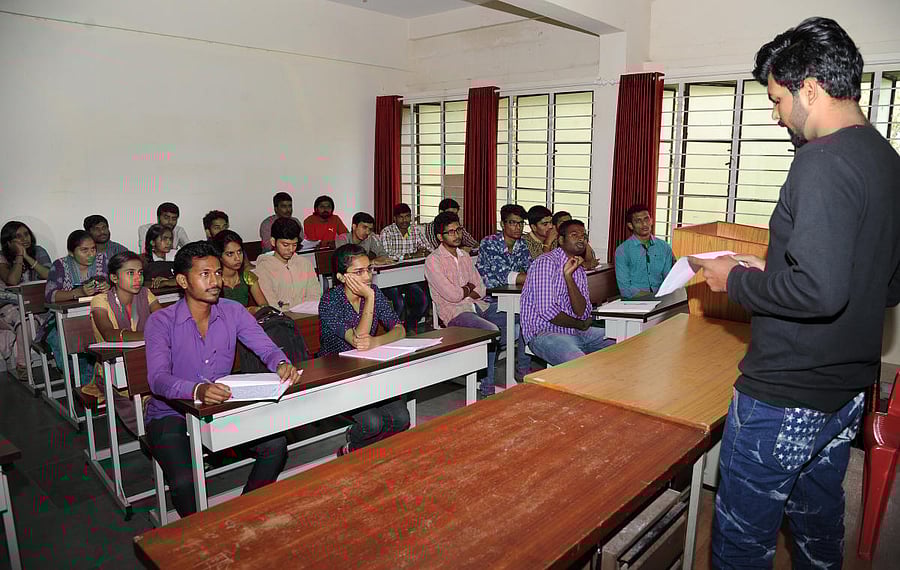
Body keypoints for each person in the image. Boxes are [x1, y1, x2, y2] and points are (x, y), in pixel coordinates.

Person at [687, 17, 900, 569]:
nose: (776, 111)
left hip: (785, 393)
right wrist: (773, 264)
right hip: (847, 388)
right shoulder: (884, 160)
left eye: (778, 98)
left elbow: (820, 292)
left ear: (810, 88)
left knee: (741, 540)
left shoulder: (820, 162)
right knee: (818, 523)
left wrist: (733, 279)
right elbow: (885, 282)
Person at [144, 241, 302, 518]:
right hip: (171, 413)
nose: (215, 280)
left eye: (217, 273)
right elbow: (157, 379)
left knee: (275, 447)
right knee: (184, 482)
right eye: (205, 274)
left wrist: (280, 363)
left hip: (219, 407)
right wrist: (196, 389)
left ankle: (242, 515)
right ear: (182, 280)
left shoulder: (233, 310)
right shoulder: (161, 321)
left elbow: (265, 347)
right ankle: (200, 533)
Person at [318, 244, 409, 455]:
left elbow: (399, 329)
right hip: (338, 372)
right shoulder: (330, 301)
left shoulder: (375, 292)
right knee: (372, 423)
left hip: (368, 367)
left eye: (369, 269)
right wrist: (368, 298)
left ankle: (372, 452)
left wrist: (377, 342)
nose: (367, 276)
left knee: (401, 418)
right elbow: (359, 340)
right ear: (341, 277)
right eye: (359, 272)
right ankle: (353, 448)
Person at [425, 212, 507, 398]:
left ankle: (515, 369)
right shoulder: (433, 260)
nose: (457, 235)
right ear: (440, 236)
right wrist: (469, 287)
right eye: (451, 232)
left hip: (478, 305)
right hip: (454, 314)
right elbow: (452, 296)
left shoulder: (464, 256)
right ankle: (488, 387)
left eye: (458, 230)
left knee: (518, 316)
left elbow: (482, 288)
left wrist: (467, 289)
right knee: (490, 330)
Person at [521, 219, 614, 365]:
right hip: (545, 333)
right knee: (578, 363)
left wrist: (569, 278)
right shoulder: (546, 262)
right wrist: (579, 324)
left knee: (623, 341)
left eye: (584, 236)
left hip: (576, 330)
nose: (581, 239)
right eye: (574, 235)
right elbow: (547, 311)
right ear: (561, 240)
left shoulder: (578, 267)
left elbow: (582, 312)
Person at [86, 252, 162, 408]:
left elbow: (163, 321)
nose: (137, 278)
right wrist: (150, 336)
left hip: (147, 361)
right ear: (114, 278)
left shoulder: (145, 294)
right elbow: (109, 334)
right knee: (135, 398)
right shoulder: (100, 300)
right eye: (130, 273)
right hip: (111, 367)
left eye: (140, 273)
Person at [44, 230, 109, 387]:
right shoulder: (60, 265)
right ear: (71, 253)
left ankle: (97, 385)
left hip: (96, 316)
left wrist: (108, 286)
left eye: (93, 249)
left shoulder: (102, 260)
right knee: (69, 344)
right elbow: (50, 296)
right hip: (63, 321)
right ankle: (82, 385)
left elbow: (113, 284)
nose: (91, 254)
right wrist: (77, 293)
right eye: (84, 250)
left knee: (101, 340)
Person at [475, 204, 532, 382]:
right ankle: (488, 382)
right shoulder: (489, 242)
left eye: (521, 223)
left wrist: (528, 276)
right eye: (513, 223)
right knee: (525, 318)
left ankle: (523, 370)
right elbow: (504, 276)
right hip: (488, 301)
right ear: (502, 224)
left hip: (512, 299)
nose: (518, 227)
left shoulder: (521, 244)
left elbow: (531, 269)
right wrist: (527, 277)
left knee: (529, 316)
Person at [0, 221, 52, 379]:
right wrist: (19, 256)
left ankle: (8, 335)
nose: (24, 239)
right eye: (18, 237)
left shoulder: (39, 251)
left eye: (26, 234)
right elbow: (12, 281)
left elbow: (49, 275)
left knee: (38, 320)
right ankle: (23, 364)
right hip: (10, 305)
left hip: (37, 304)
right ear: (9, 242)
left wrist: (28, 257)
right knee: (26, 321)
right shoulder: (2, 257)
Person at [379, 203, 432, 332]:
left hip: (409, 278)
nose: (405, 220)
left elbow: (429, 248)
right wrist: (411, 255)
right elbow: (388, 255)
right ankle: (392, 332)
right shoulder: (387, 232)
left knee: (423, 301)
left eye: (408, 216)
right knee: (399, 304)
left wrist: (424, 251)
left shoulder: (414, 230)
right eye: (401, 217)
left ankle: (409, 326)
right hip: (390, 279)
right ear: (394, 219)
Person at [253, 217, 320, 311]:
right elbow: (272, 305)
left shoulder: (305, 264)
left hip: (307, 316)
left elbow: (315, 297)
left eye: (294, 245)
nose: (291, 249)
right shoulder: (263, 268)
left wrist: (290, 305)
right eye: (285, 245)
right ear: (273, 242)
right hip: (280, 321)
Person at [614, 204, 675, 299]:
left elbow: (669, 279)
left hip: (661, 299)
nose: (644, 224)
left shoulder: (664, 247)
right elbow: (625, 289)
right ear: (630, 225)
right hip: (634, 301)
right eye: (638, 221)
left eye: (646, 219)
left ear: (652, 221)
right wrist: (651, 297)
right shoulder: (622, 251)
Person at [211, 230, 268, 311]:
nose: (237, 258)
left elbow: (264, 306)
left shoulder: (247, 277)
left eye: (239, 252)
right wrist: (248, 310)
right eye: (230, 254)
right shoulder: (214, 281)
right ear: (219, 256)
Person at [142, 224, 177, 289]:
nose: (169, 242)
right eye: (164, 239)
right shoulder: (144, 260)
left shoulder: (177, 256)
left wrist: (167, 282)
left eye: (170, 239)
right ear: (153, 242)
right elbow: (141, 284)